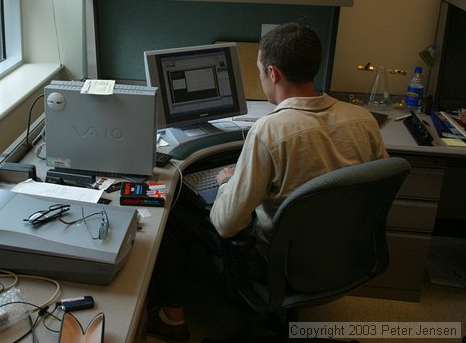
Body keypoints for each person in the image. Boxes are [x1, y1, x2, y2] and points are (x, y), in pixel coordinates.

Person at [147, 22, 389, 342]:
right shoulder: (364, 120)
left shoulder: (269, 131)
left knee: (174, 214)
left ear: (272, 74)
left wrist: (226, 183)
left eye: (260, 70)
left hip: (275, 265)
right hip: (347, 254)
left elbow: (226, 224)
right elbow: (375, 187)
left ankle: (172, 320)